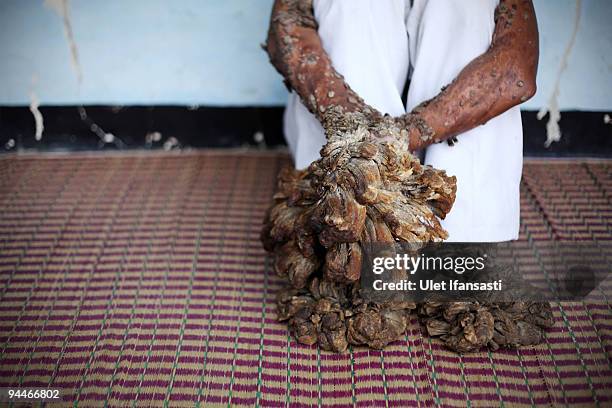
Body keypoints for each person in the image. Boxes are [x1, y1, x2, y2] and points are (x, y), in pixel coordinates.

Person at [265, 0, 539, 243]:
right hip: (345, 132)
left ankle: (463, 233)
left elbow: (515, 71)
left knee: (468, 6)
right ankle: (353, 212)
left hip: (421, 130)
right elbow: (286, 21)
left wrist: (401, 135)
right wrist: (354, 130)